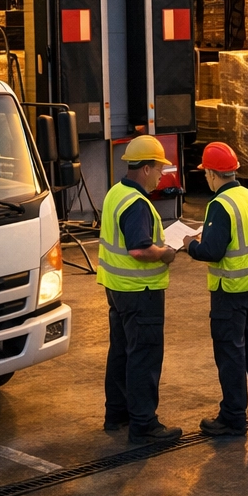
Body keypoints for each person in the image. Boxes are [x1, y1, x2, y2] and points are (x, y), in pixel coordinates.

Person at [184, 142, 248, 436]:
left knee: (230, 351)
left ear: (213, 173)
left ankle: (232, 417)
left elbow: (211, 251)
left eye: (206, 174)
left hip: (231, 289)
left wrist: (191, 244)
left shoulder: (220, 205)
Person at [99, 135, 182, 444]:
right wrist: (166, 252)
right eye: (159, 168)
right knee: (144, 357)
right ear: (145, 168)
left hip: (117, 289)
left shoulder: (115, 193)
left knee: (121, 352)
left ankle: (117, 415)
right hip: (140, 291)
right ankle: (144, 425)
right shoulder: (137, 205)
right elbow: (138, 250)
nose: (161, 174)